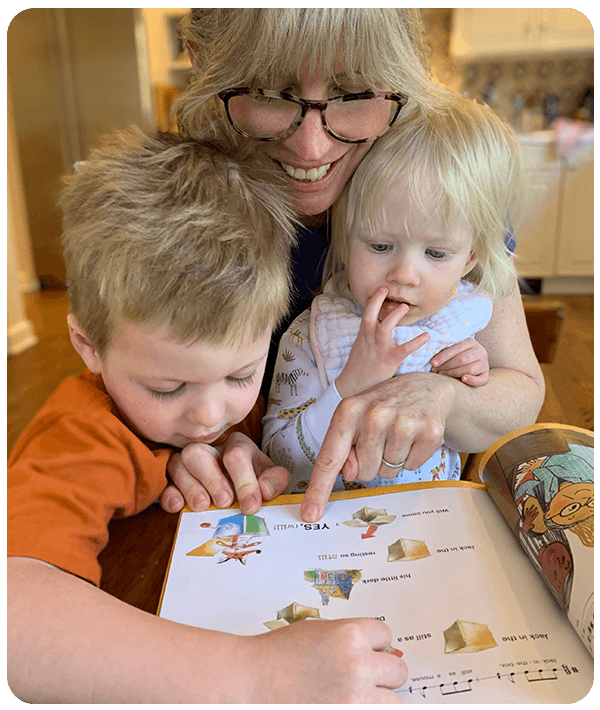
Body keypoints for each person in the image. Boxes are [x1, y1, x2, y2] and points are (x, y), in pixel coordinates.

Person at [7, 128, 408, 702]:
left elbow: (215, 428)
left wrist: (221, 448)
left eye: (243, 376)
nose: (209, 413)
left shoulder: (214, 417)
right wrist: (257, 676)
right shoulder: (79, 436)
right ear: (88, 344)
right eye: (168, 387)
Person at [164, 8, 544, 524]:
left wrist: (444, 399)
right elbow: (134, 384)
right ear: (204, 65)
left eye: (353, 94)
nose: (311, 146)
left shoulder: (443, 190)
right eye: (269, 92)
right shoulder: (173, 207)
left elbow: (520, 386)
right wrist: (192, 440)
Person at [263, 96, 519, 492]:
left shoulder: (462, 321)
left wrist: (471, 378)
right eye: (380, 246)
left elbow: (485, 425)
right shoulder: (310, 335)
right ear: (345, 242)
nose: (404, 274)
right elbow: (281, 457)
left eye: (436, 254)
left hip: (432, 524)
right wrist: (348, 384)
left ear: (470, 258)